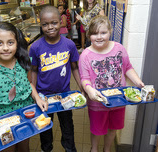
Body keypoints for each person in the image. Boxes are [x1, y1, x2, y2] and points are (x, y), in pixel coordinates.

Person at [0, 22, 48, 152]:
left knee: (24, 148)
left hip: (25, 116)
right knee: (8, 148)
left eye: (10, 43)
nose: (6, 48)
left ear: (17, 43)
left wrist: (37, 98)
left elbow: (29, 83)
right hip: (2, 122)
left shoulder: (24, 61)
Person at [78, 15, 144, 152]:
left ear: (110, 31)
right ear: (89, 35)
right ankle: (94, 149)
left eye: (103, 32)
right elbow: (84, 78)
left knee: (113, 128)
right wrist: (89, 89)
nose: (99, 37)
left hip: (118, 100)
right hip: (97, 103)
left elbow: (127, 67)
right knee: (97, 130)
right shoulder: (85, 55)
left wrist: (138, 81)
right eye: (95, 33)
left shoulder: (119, 48)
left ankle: (107, 149)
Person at [29, 5, 84, 152]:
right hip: (43, 96)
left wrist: (81, 87)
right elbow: (33, 70)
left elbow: (74, 67)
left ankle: (69, 148)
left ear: (61, 22)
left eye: (54, 23)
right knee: (45, 128)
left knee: (68, 127)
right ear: (40, 25)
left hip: (64, 95)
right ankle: (46, 149)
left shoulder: (69, 45)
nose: (50, 27)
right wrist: (34, 94)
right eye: (45, 24)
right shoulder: (35, 47)